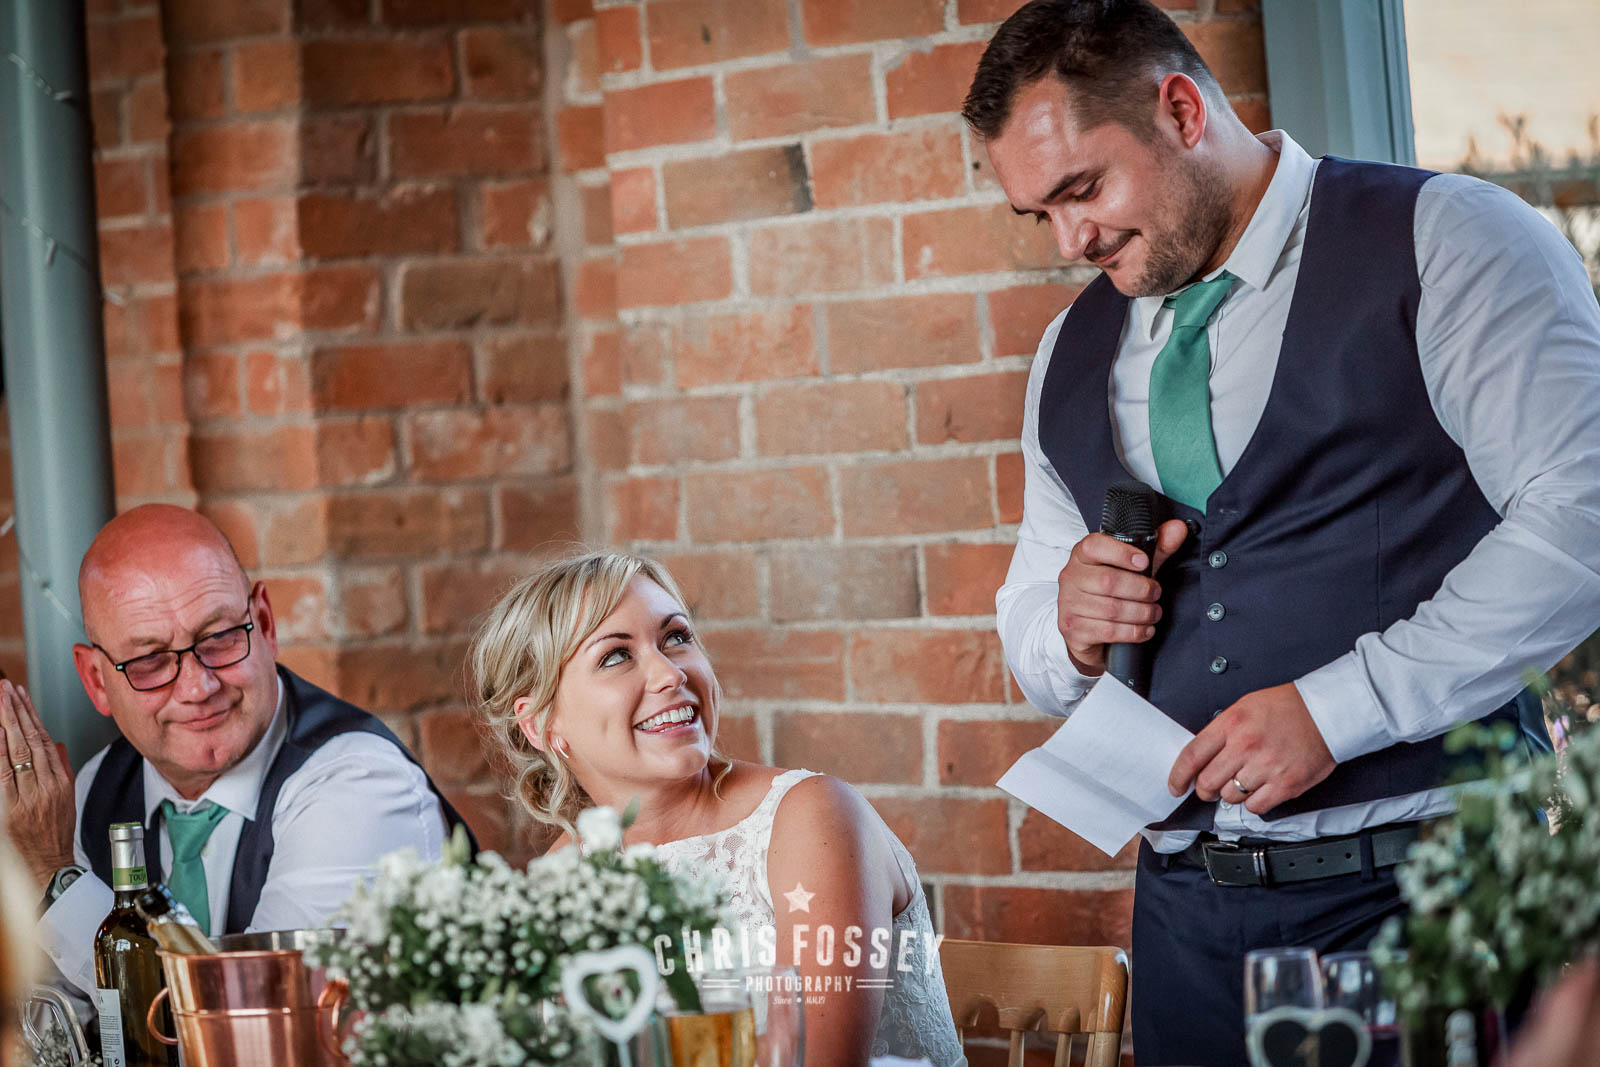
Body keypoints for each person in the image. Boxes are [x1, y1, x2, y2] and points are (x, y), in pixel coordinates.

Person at [967, 1, 1600, 1062]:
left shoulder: (1446, 238)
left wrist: (1340, 705)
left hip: (1431, 895)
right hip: (1185, 925)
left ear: (1178, 109)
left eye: (1081, 189)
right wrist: (1066, 627)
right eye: (1040, 215)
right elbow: (1029, 627)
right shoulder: (1067, 353)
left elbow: (1580, 517)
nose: (1070, 241)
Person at [469, 551, 966, 1067]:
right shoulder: (560, 878)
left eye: (677, 637)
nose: (669, 673)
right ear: (543, 725)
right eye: (616, 656)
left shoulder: (810, 819)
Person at [4, 505, 475, 1006]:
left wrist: (56, 880)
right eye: (149, 661)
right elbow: (60, 1021)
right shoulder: (95, 790)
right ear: (98, 680)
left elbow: (259, 1018)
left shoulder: (360, 784)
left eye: (220, 637)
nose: (197, 685)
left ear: (265, 624)